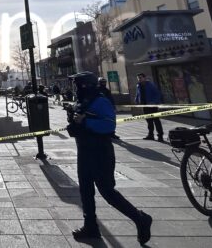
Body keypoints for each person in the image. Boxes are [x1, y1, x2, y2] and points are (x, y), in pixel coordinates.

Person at [66, 72, 152, 244]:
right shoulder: (82, 101)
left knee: (107, 192)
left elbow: (109, 125)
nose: (75, 88)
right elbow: (77, 124)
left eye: (77, 85)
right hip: (84, 152)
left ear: (85, 85)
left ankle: (140, 218)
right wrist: (73, 117)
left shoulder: (100, 100)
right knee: (85, 190)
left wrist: (86, 121)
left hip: (100, 152)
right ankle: (90, 226)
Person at [135, 73, 164, 142]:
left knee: (156, 120)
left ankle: (160, 136)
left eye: (141, 77)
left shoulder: (150, 85)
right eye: (138, 78)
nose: (139, 79)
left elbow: (158, 94)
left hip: (152, 106)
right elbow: (138, 94)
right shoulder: (138, 85)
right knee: (149, 121)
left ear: (145, 78)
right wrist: (136, 100)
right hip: (145, 106)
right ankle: (150, 135)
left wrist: (153, 102)